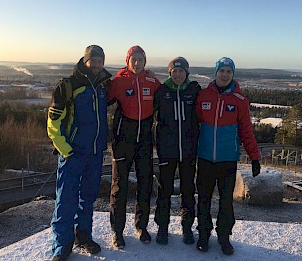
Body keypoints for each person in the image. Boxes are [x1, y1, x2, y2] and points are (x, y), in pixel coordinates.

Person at [47, 45, 112, 261]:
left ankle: (83, 236)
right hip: (73, 154)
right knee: (66, 200)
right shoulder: (68, 85)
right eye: (92, 60)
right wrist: (66, 151)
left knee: (88, 198)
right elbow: (53, 123)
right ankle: (61, 246)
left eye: (99, 60)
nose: (96, 64)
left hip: (95, 154)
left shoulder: (103, 86)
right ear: (85, 61)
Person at [195, 56, 261, 256]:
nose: (224, 75)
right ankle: (203, 235)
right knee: (204, 199)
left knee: (226, 202)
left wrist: (254, 157)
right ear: (215, 73)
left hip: (227, 159)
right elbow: (192, 125)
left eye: (228, 71)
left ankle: (224, 238)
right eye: (221, 71)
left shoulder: (240, 100)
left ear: (232, 74)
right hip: (205, 158)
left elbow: (246, 131)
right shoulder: (203, 95)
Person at [108, 45, 161, 249]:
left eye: (141, 59)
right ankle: (117, 231)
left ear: (145, 61)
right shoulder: (119, 82)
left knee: (145, 184)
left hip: (144, 142)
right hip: (123, 141)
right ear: (128, 61)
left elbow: (166, 98)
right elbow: (99, 100)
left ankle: (141, 226)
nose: (137, 63)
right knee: (119, 187)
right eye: (134, 59)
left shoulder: (152, 81)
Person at [153, 57, 201, 245]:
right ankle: (162, 228)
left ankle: (187, 228)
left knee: (188, 191)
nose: (178, 74)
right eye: (175, 71)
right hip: (167, 151)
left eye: (181, 71)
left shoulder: (194, 90)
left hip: (188, 151)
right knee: (164, 191)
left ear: (186, 73)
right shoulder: (162, 91)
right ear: (170, 73)